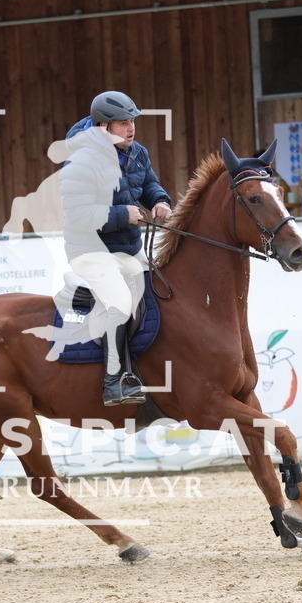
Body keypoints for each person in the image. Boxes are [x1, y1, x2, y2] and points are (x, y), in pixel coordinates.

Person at [60, 91, 173, 406]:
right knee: (121, 302)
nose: (131, 128)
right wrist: (123, 215)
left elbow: (148, 184)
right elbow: (79, 216)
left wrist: (160, 201)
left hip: (128, 247)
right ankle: (114, 382)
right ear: (103, 127)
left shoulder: (137, 152)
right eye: (123, 123)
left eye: (132, 121)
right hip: (90, 250)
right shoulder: (80, 163)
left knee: (162, 290)